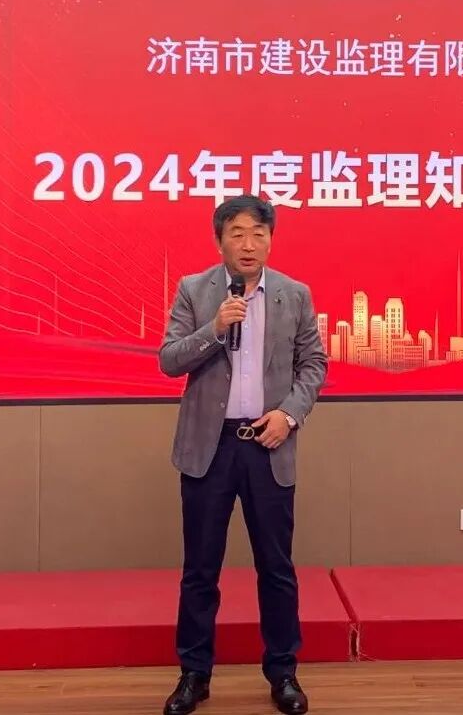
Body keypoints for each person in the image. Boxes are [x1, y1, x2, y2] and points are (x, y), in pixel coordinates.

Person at [158, 194, 327, 715]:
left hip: (268, 444)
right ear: (220, 241)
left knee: (276, 568)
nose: (248, 244)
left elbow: (313, 365)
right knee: (200, 569)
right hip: (209, 448)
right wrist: (214, 328)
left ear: (271, 239)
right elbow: (169, 360)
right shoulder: (194, 290)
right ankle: (194, 675)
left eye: (258, 233)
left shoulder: (294, 295)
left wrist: (289, 415)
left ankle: (283, 673)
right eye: (237, 233)